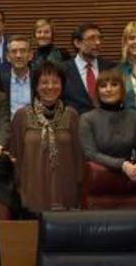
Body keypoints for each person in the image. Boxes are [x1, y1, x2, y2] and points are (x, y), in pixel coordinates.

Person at [10, 61, 84, 214]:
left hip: (65, 191)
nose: (50, 87)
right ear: (36, 86)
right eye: (44, 82)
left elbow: (79, 157)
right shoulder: (22, 115)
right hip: (31, 192)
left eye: (55, 82)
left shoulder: (71, 115)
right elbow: (14, 155)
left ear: (62, 85)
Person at [79, 70, 136, 184]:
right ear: (97, 92)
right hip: (100, 181)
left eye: (114, 84)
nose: (109, 89)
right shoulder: (87, 118)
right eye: (103, 86)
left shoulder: (135, 117)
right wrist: (122, 165)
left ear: (122, 89)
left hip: (131, 178)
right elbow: (91, 154)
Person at [61, 22, 117, 115]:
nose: (98, 43)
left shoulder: (111, 68)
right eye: (91, 39)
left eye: (99, 38)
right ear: (77, 43)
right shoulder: (63, 70)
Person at [0, 35, 35, 116]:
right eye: (14, 51)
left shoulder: (38, 79)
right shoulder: (0, 81)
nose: (18, 56)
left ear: (30, 55)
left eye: (23, 51)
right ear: (8, 57)